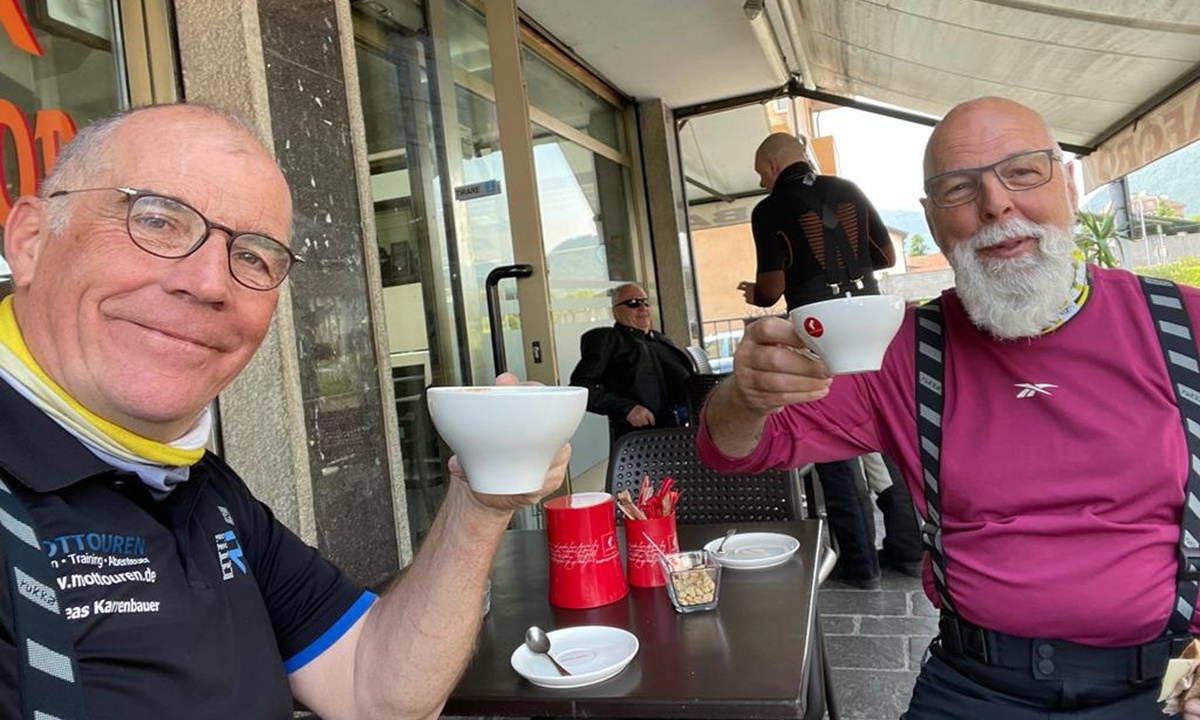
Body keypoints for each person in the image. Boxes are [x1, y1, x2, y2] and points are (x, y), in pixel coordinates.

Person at [0, 103, 567, 720]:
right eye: (158, 220)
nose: (210, 282)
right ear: (29, 241)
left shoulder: (200, 489)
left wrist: (480, 501)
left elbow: (372, 690)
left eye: (253, 256)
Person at [699, 95, 1200, 719]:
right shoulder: (902, 347)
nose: (995, 204)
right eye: (960, 189)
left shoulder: (1183, 323)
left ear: (1069, 184)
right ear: (935, 223)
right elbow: (732, 450)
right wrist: (744, 394)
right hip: (975, 685)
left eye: (1022, 172)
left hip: (1171, 682)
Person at [736, 131, 915, 587]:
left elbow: (773, 288)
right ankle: (910, 551)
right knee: (883, 432)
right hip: (871, 322)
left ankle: (860, 566)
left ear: (773, 165)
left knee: (832, 447)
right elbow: (885, 255)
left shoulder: (770, 208)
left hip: (817, 326)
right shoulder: (848, 189)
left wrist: (753, 294)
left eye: (760, 172)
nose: (761, 181)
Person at [569, 283, 695, 446]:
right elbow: (582, 386)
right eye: (633, 303)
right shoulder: (609, 339)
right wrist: (626, 408)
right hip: (645, 437)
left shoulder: (660, 339)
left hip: (686, 429)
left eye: (645, 302)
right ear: (615, 312)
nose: (642, 308)